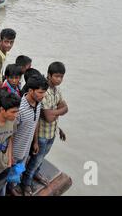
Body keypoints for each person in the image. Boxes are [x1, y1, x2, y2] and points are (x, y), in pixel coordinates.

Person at [24, 62, 68, 191]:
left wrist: (53, 112)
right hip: (42, 134)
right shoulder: (43, 91)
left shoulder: (57, 90)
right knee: (35, 160)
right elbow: (47, 118)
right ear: (49, 75)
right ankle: (26, 182)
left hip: (52, 132)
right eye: (56, 76)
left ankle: (35, 174)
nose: (59, 79)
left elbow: (65, 108)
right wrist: (56, 112)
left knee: (41, 158)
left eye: (61, 77)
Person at [11, 74, 48, 196]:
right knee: (11, 171)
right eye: (40, 92)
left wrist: (35, 141)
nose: (43, 95)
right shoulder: (19, 109)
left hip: (26, 147)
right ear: (30, 90)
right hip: (15, 149)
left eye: (44, 92)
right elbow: (10, 133)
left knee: (19, 169)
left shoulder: (38, 104)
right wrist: (9, 153)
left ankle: (16, 185)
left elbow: (35, 121)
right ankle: (11, 188)